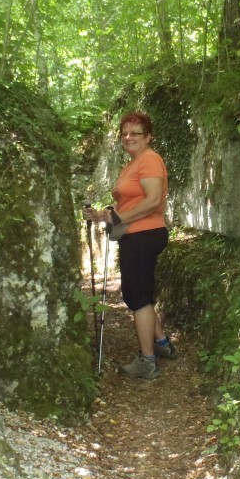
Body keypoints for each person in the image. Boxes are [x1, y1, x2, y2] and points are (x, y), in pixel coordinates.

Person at [83, 111, 177, 379]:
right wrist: (103, 214)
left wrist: (119, 217)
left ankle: (147, 361)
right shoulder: (133, 164)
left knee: (138, 298)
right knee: (138, 294)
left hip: (145, 234)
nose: (128, 137)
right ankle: (162, 345)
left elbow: (153, 200)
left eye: (135, 133)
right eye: (124, 133)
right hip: (135, 234)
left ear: (148, 137)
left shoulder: (150, 160)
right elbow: (129, 204)